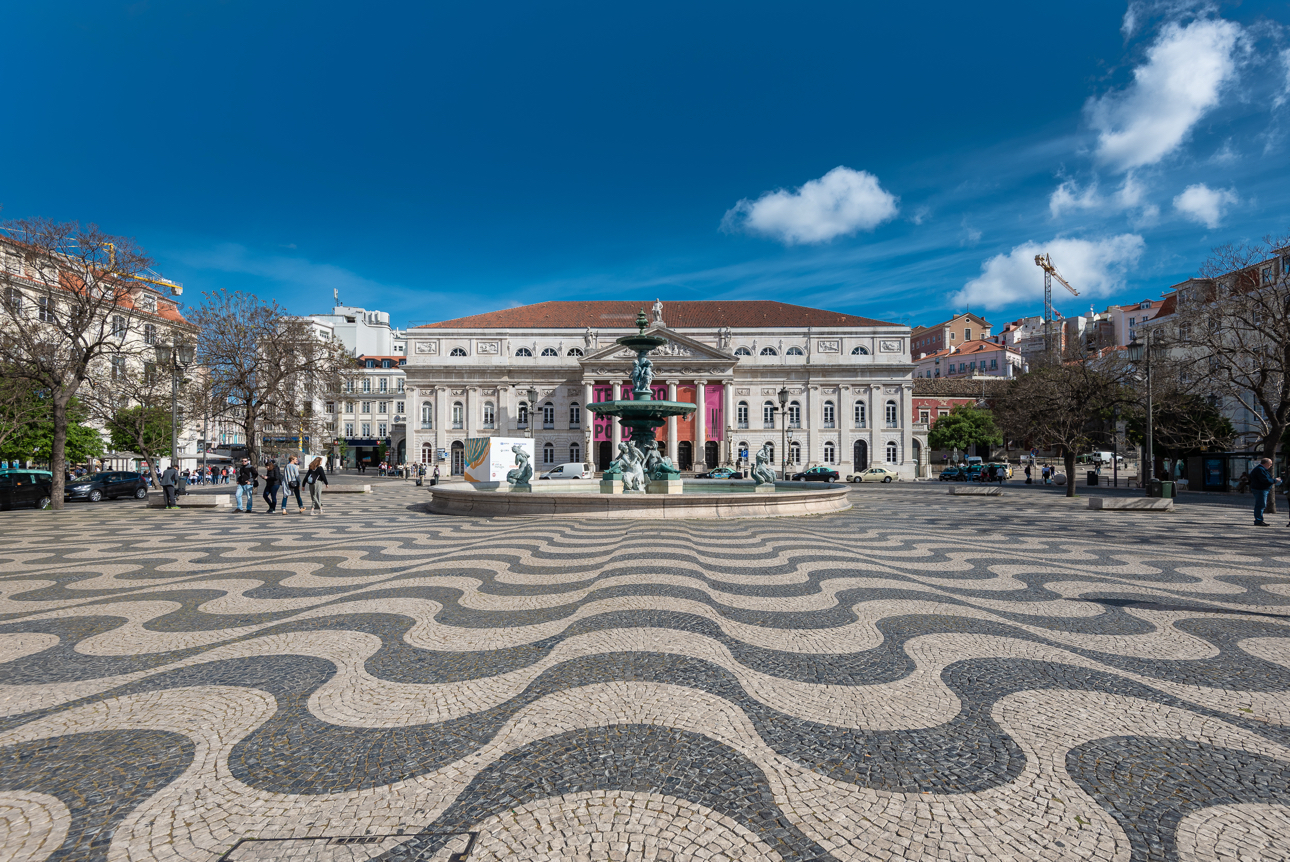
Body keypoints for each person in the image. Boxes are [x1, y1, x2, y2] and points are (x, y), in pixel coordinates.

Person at [1249, 457, 1281, 526]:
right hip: (1260, 489)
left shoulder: (1261, 469)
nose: (1271, 465)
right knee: (1261, 505)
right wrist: (1275, 480)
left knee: (1261, 504)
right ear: (1266, 463)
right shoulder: (1260, 469)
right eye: (1270, 464)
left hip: (1261, 489)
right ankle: (1258, 520)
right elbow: (1265, 480)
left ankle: (1259, 520)